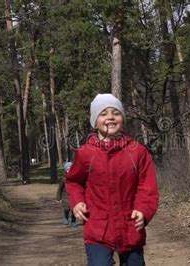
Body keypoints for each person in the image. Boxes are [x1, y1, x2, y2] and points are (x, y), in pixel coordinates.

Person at [65, 93, 159, 266]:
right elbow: (73, 181)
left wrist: (143, 210)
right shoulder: (86, 153)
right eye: (103, 113)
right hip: (98, 228)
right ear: (95, 121)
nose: (110, 117)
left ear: (122, 118)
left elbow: (147, 186)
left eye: (116, 113)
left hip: (131, 227)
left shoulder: (137, 152)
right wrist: (77, 202)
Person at [56, 161, 77, 227]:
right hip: (65, 196)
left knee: (74, 210)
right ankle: (65, 217)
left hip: (74, 196)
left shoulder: (75, 178)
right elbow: (59, 189)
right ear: (65, 170)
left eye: (70, 169)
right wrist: (58, 198)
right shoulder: (63, 179)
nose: (69, 170)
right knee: (66, 209)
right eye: (68, 169)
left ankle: (73, 221)